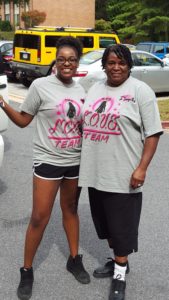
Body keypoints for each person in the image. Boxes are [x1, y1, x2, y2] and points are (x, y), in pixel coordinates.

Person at [0, 36, 90, 300]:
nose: (67, 63)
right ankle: (26, 269)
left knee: (71, 210)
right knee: (40, 217)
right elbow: (24, 121)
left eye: (72, 59)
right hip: (48, 160)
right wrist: (3, 104)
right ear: (56, 61)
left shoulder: (81, 89)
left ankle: (74, 259)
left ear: (77, 62)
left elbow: (86, 128)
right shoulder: (40, 86)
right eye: (62, 59)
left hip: (75, 160)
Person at [78, 44, 163, 300]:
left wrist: (142, 168)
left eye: (122, 62)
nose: (116, 67)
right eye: (111, 62)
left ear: (129, 65)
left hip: (124, 173)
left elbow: (153, 133)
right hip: (94, 171)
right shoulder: (95, 87)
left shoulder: (141, 91)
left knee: (122, 227)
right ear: (104, 65)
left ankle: (119, 275)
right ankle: (118, 262)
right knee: (106, 225)